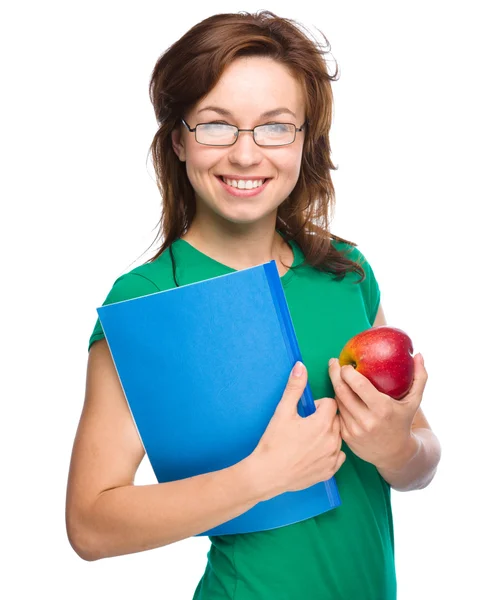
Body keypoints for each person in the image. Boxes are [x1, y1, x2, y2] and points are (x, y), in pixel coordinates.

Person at [65, 10, 441, 599]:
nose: (246, 155)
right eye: (216, 125)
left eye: (275, 126)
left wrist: (397, 449)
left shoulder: (345, 272)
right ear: (179, 141)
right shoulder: (145, 300)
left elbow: (420, 462)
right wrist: (260, 478)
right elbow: (90, 524)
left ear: (304, 141)